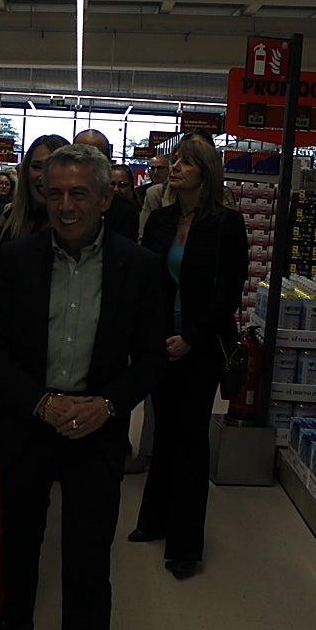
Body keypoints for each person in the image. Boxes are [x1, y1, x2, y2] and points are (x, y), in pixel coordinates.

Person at [0, 143, 167, 630]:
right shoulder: (16, 261)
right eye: (53, 193)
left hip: (96, 433)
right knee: (18, 542)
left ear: (106, 197)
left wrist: (109, 404)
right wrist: (40, 403)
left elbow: (153, 357)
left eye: (79, 193)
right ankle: (16, 626)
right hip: (28, 424)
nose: (64, 205)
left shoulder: (139, 267)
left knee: (87, 562)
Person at [127, 135, 248, 580]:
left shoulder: (227, 224)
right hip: (160, 342)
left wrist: (191, 338)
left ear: (205, 173)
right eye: (174, 161)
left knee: (191, 439)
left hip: (199, 347)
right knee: (162, 429)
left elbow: (228, 292)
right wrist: (154, 334)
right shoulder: (159, 220)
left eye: (185, 163)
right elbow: (147, 280)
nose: (174, 168)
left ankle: (185, 545)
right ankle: (152, 520)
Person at [0, 133, 68, 627]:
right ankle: (2, 593)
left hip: (66, 378)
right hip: (11, 375)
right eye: (36, 165)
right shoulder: (0, 225)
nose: (43, 174)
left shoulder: (76, 232)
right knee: (6, 486)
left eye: (54, 166)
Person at [74, 129, 139, 241]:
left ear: (108, 163)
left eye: (94, 158)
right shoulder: (57, 199)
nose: (86, 164)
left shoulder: (125, 210)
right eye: (80, 157)